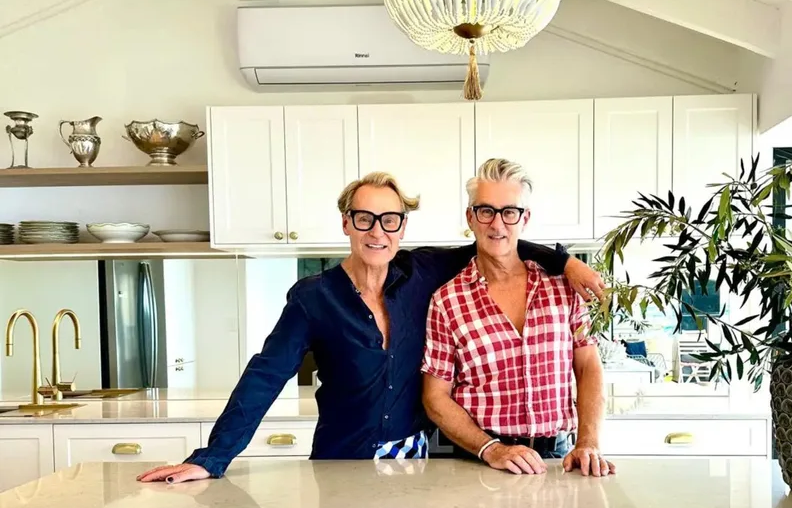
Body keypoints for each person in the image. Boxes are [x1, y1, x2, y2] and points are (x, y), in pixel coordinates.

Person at [138, 171, 605, 484]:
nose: (377, 231)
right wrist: (212, 458)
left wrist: (565, 262)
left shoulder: (422, 274)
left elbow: (499, 238)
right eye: (365, 219)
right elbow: (263, 378)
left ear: (403, 227)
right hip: (341, 459)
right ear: (346, 223)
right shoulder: (312, 298)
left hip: (416, 459)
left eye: (390, 220)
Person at [422, 159, 615, 477]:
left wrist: (588, 441)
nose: (497, 225)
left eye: (509, 212)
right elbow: (434, 397)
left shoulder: (564, 288)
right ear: (471, 217)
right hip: (480, 460)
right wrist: (492, 449)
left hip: (559, 459)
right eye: (486, 211)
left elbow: (588, 366)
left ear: (525, 219)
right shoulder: (447, 301)